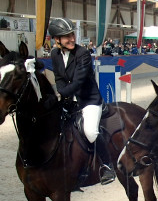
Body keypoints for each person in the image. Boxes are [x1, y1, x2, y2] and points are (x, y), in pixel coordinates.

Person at [48, 17, 116, 185]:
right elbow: (59, 78)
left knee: (90, 131)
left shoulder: (83, 54)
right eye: (67, 36)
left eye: (72, 35)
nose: (71, 39)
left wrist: (60, 95)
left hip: (90, 100)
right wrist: (63, 96)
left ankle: (108, 166)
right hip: (71, 100)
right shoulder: (55, 54)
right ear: (57, 40)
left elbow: (78, 82)